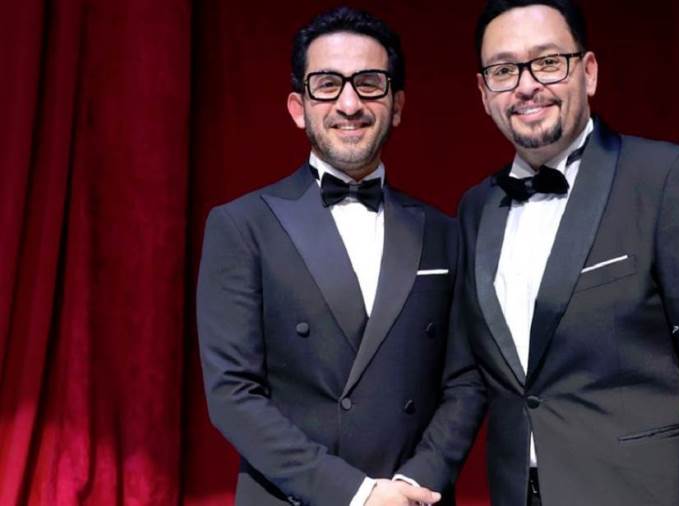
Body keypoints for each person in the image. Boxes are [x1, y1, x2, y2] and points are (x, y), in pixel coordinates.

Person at [452, 1, 679, 504]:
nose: (526, 85)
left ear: (589, 72)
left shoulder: (666, 178)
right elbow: (473, 377)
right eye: (504, 70)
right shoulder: (475, 208)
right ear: (484, 94)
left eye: (547, 62)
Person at [196, 7, 483, 506]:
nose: (349, 104)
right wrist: (356, 494)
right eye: (327, 84)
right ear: (298, 107)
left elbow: (466, 381)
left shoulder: (444, 232)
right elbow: (232, 395)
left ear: (397, 104)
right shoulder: (241, 226)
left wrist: (413, 483)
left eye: (369, 83)